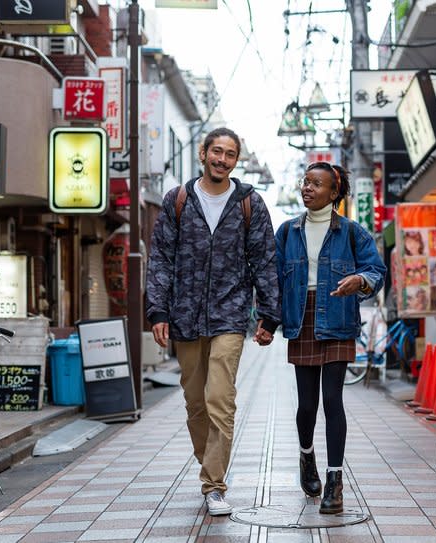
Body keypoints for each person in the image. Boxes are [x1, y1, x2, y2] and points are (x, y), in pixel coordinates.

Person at [146, 127, 280, 516]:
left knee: (219, 398)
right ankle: (210, 463)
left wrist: (269, 316)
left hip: (229, 314)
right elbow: (161, 258)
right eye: (217, 152)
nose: (222, 159)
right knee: (195, 403)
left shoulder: (249, 203)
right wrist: (158, 310)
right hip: (185, 316)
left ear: (236, 161)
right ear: (203, 153)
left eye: (231, 154)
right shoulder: (178, 200)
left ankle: (214, 484)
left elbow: (264, 259)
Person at [275, 162, 386, 514]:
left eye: (316, 184)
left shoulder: (353, 232)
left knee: (332, 400)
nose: (307, 188)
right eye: (305, 182)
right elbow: (272, 277)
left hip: (337, 316)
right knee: (307, 404)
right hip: (302, 318)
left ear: (334, 192)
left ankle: (335, 482)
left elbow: (376, 270)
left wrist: (360, 281)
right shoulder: (288, 231)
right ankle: (307, 456)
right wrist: (265, 319)